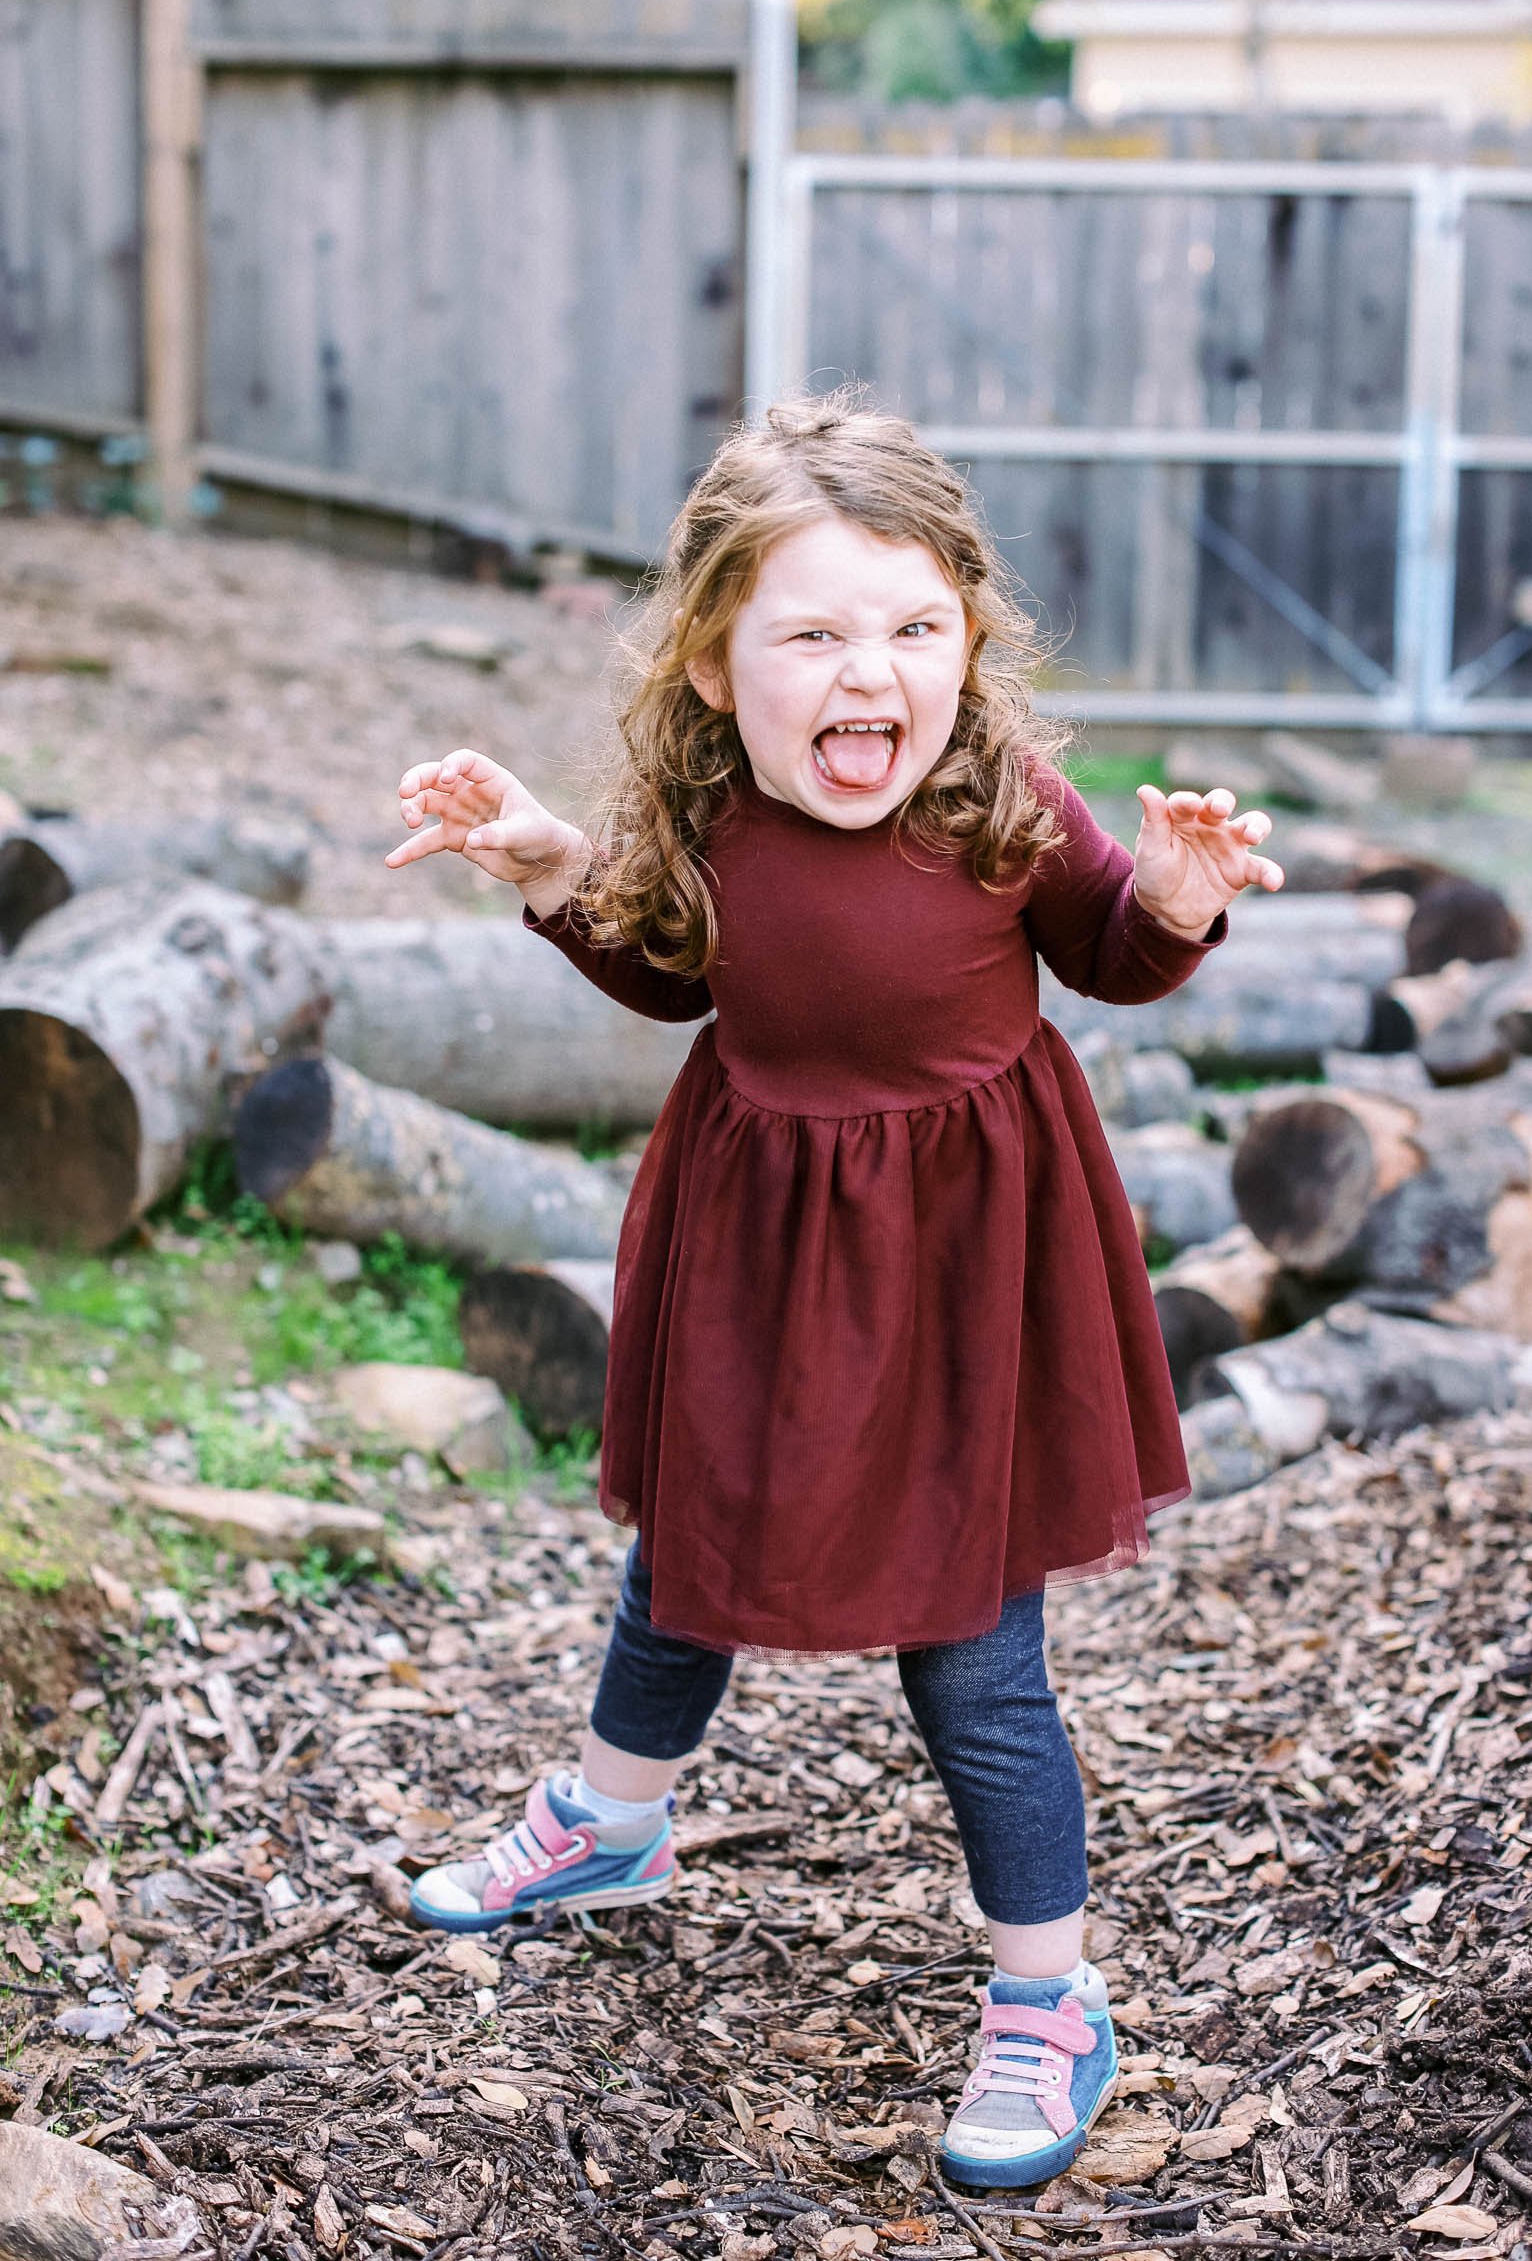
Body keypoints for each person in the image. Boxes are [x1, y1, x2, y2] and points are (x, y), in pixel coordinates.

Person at [386, 393, 1281, 2190]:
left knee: (970, 1650)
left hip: (964, 1267)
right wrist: (557, 867)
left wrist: (1175, 892)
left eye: (912, 628)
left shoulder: (1002, 804)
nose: (870, 670)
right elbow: (671, 977)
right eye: (813, 633)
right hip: (762, 1235)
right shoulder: (708, 805)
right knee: (694, 1549)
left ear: (966, 633)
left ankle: (1051, 1996)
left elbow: (1108, 957)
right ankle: (609, 1824)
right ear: (718, 667)